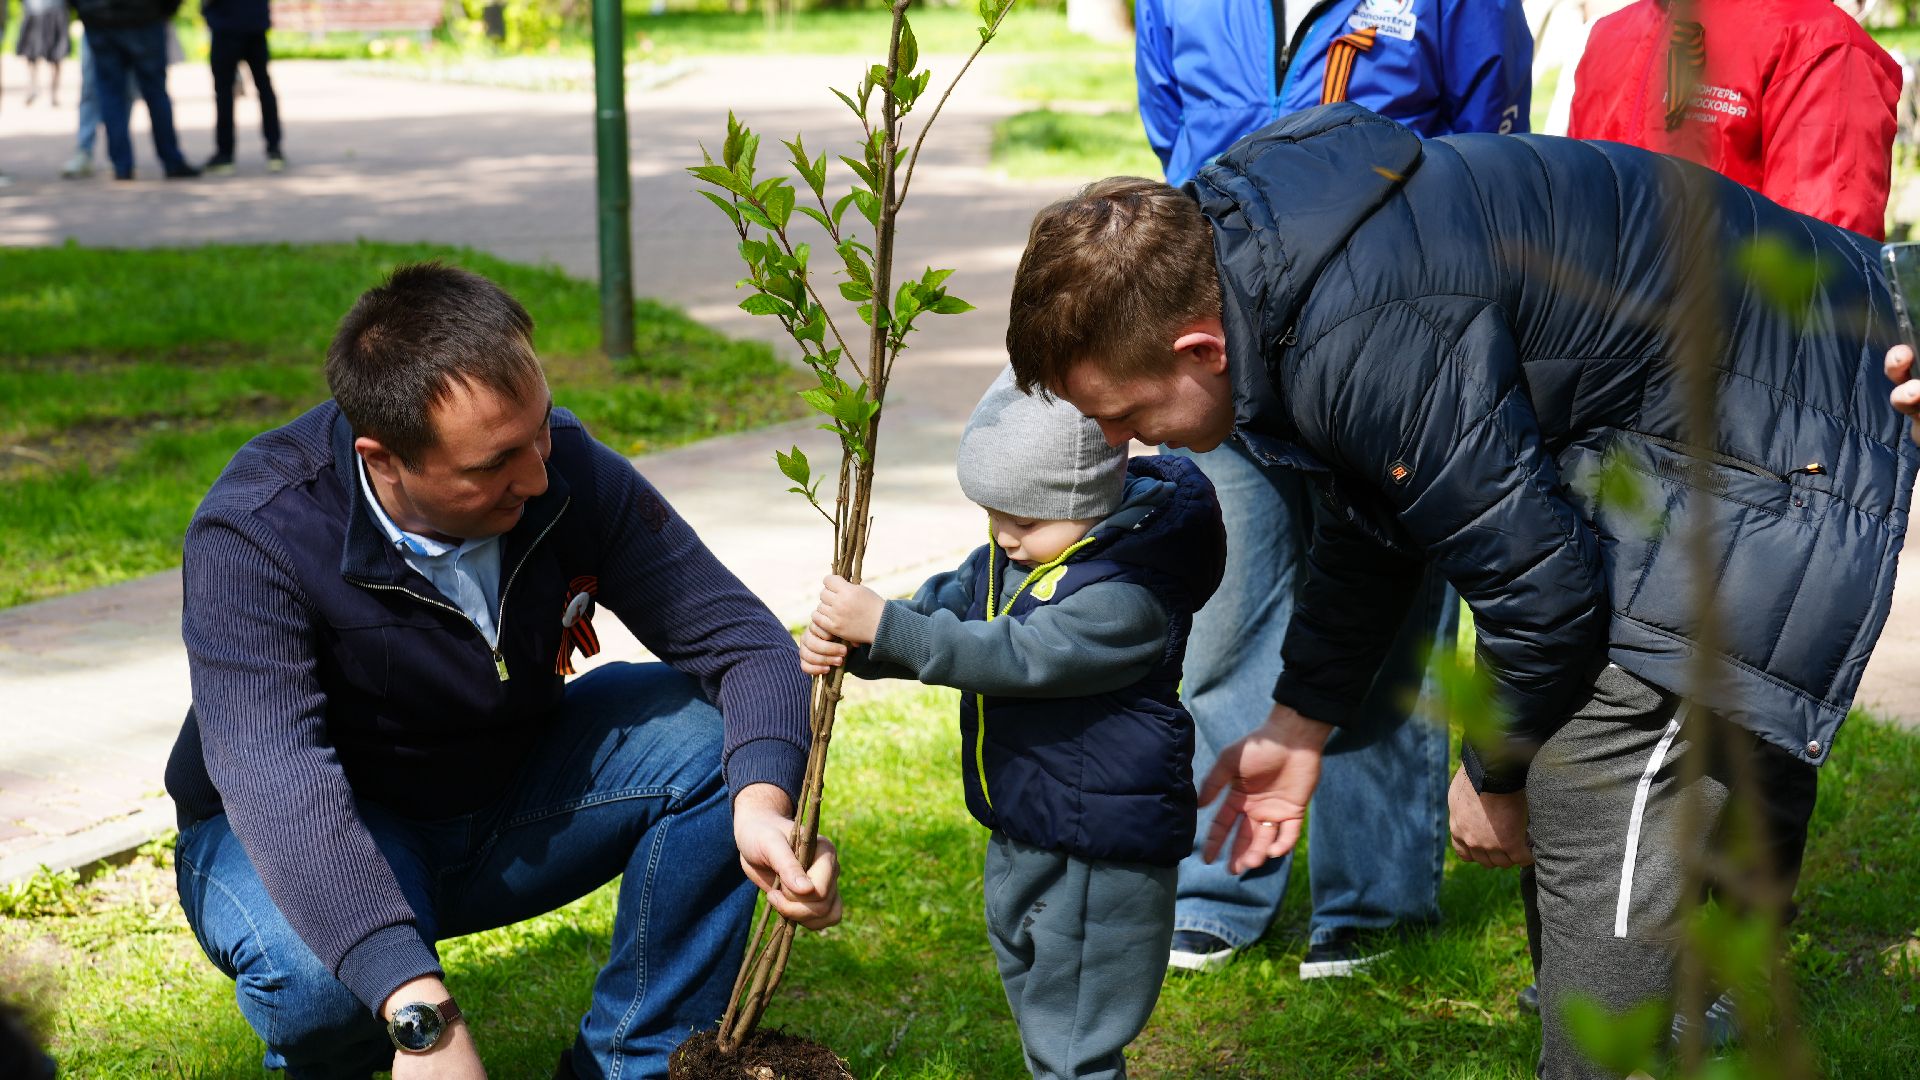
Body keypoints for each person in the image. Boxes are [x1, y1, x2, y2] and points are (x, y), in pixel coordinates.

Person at [1003, 105, 1917, 1079]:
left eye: (1125, 414)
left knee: (1589, 775)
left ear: (1198, 351)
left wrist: (1495, 775)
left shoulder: (1363, 332)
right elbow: (1384, 509)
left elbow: (1546, 595)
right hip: (1691, 404)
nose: (1122, 446)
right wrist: (1300, 722)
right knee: (1577, 775)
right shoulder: (1261, 270)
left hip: (1782, 406)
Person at [166, 263, 840, 1080]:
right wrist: (422, 1018)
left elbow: (744, 642)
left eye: (542, 430)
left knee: (714, 744)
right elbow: (279, 782)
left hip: (502, 797)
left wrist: (763, 805)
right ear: (384, 459)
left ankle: (633, 1065)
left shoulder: (568, 475)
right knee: (317, 985)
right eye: (494, 464)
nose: (539, 476)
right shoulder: (257, 533)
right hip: (321, 826)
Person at [1132, 0, 1534, 978]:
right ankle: (1220, 884)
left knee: (1390, 616)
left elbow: (1491, 144)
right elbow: (1166, 117)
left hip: (1382, 344)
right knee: (1226, 618)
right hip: (1223, 345)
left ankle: (1374, 901)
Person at [799, 368, 1226, 1080]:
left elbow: (1015, 656)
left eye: (1022, 521)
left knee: (1076, 1037)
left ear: (1092, 499)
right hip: (1031, 822)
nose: (1003, 537)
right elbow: (954, 607)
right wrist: (863, 644)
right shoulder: (1023, 554)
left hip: (1099, 849)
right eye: (992, 515)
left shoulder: (1128, 601)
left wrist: (892, 628)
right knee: (1041, 1004)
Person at [1568, 0, 1901, 240]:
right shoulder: (1609, 36)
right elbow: (1575, 211)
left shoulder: (1817, 41)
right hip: (1596, 327)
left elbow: (1818, 264)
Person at [68, 0, 199, 180]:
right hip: (143, 18)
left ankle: (122, 165)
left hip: (102, 20)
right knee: (154, 93)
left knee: (112, 95)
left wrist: (86, 11)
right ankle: (171, 160)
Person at [201, 0, 283, 174]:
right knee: (264, 86)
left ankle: (225, 153)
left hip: (226, 24)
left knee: (224, 92)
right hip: (253, 22)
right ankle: (274, 148)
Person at [13, 0, 69, 106]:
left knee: (52, 55)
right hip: (41, 9)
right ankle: (41, 90)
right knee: (36, 54)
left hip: (43, 9)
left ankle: (47, 91)